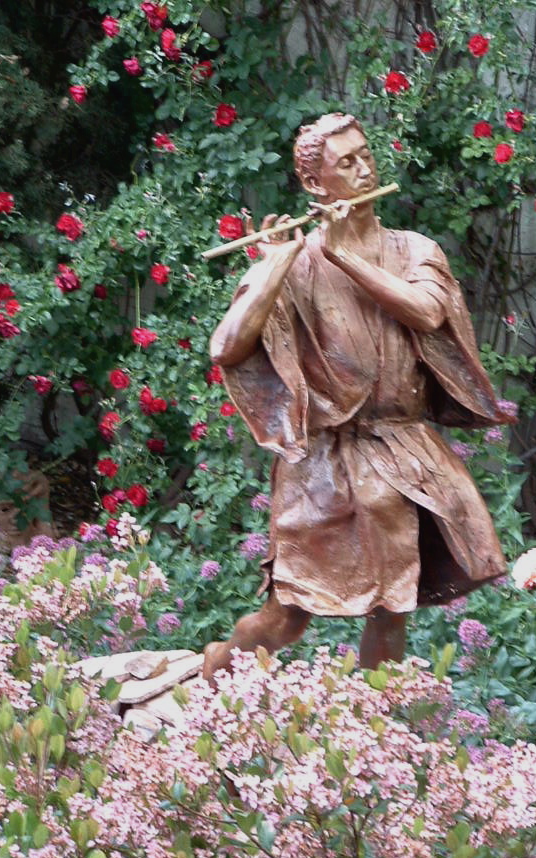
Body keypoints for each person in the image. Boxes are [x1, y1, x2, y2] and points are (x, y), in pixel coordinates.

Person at [202, 113, 511, 682]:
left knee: (392, 608)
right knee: (286, 617)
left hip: (403, 450)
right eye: (347, 163)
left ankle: (378, 722)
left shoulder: (415, 248)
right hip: (325, 464)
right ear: (317, 185)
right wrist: (271, 271)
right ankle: (216, 672)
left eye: (366, 155)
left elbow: (425, 311)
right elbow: (226, 347)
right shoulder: (294, 263)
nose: (365, 168)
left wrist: (346, 255)